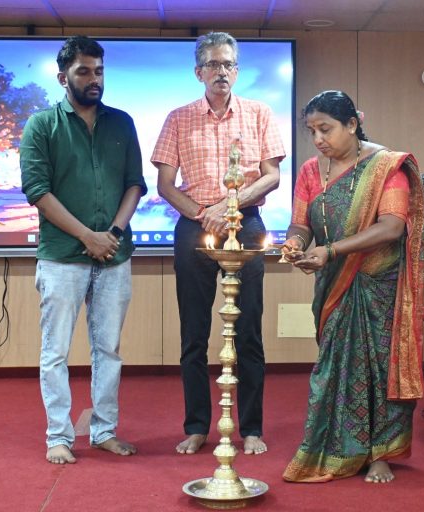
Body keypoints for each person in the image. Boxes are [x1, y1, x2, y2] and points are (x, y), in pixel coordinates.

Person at [280, 90, 424, 483]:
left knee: (380, 367)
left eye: (325, 129)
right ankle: (337, 446)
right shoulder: (311, 171)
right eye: (312, 131)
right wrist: (294, 243)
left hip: (379, 283)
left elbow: (392, 227)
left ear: (352, 124)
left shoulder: (386, 167)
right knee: (335, 367)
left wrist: (332, 251)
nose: (318, 139)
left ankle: (381, 453)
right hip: (334, 283)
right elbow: (301, 223)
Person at [151, 32, 285, 455]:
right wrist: (202, 212)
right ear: (198, 72)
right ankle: (196, 427)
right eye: (212, 64)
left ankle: (251, 429)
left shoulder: (259, 113)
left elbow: (272, 176)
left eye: (228, 64)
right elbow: (165, 184)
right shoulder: (178, 118)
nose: (221, 71)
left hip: (246, 224)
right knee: (194, 332)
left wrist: (228, 205)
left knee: (248, 330)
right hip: (195, 226)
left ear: (237, 71)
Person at [20, 35, 147, 464]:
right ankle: (58, 436)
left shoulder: (122, 123)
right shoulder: (42, 126)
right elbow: (38, 191)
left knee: (108, 350)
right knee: (55, 351)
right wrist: (87, 236)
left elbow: (134, 184)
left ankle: (104, 431)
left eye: (100, 71)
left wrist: (112, 232)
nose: (95, 79)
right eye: (84, 71)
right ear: (63, 78)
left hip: (114, 255)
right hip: (61, 257)